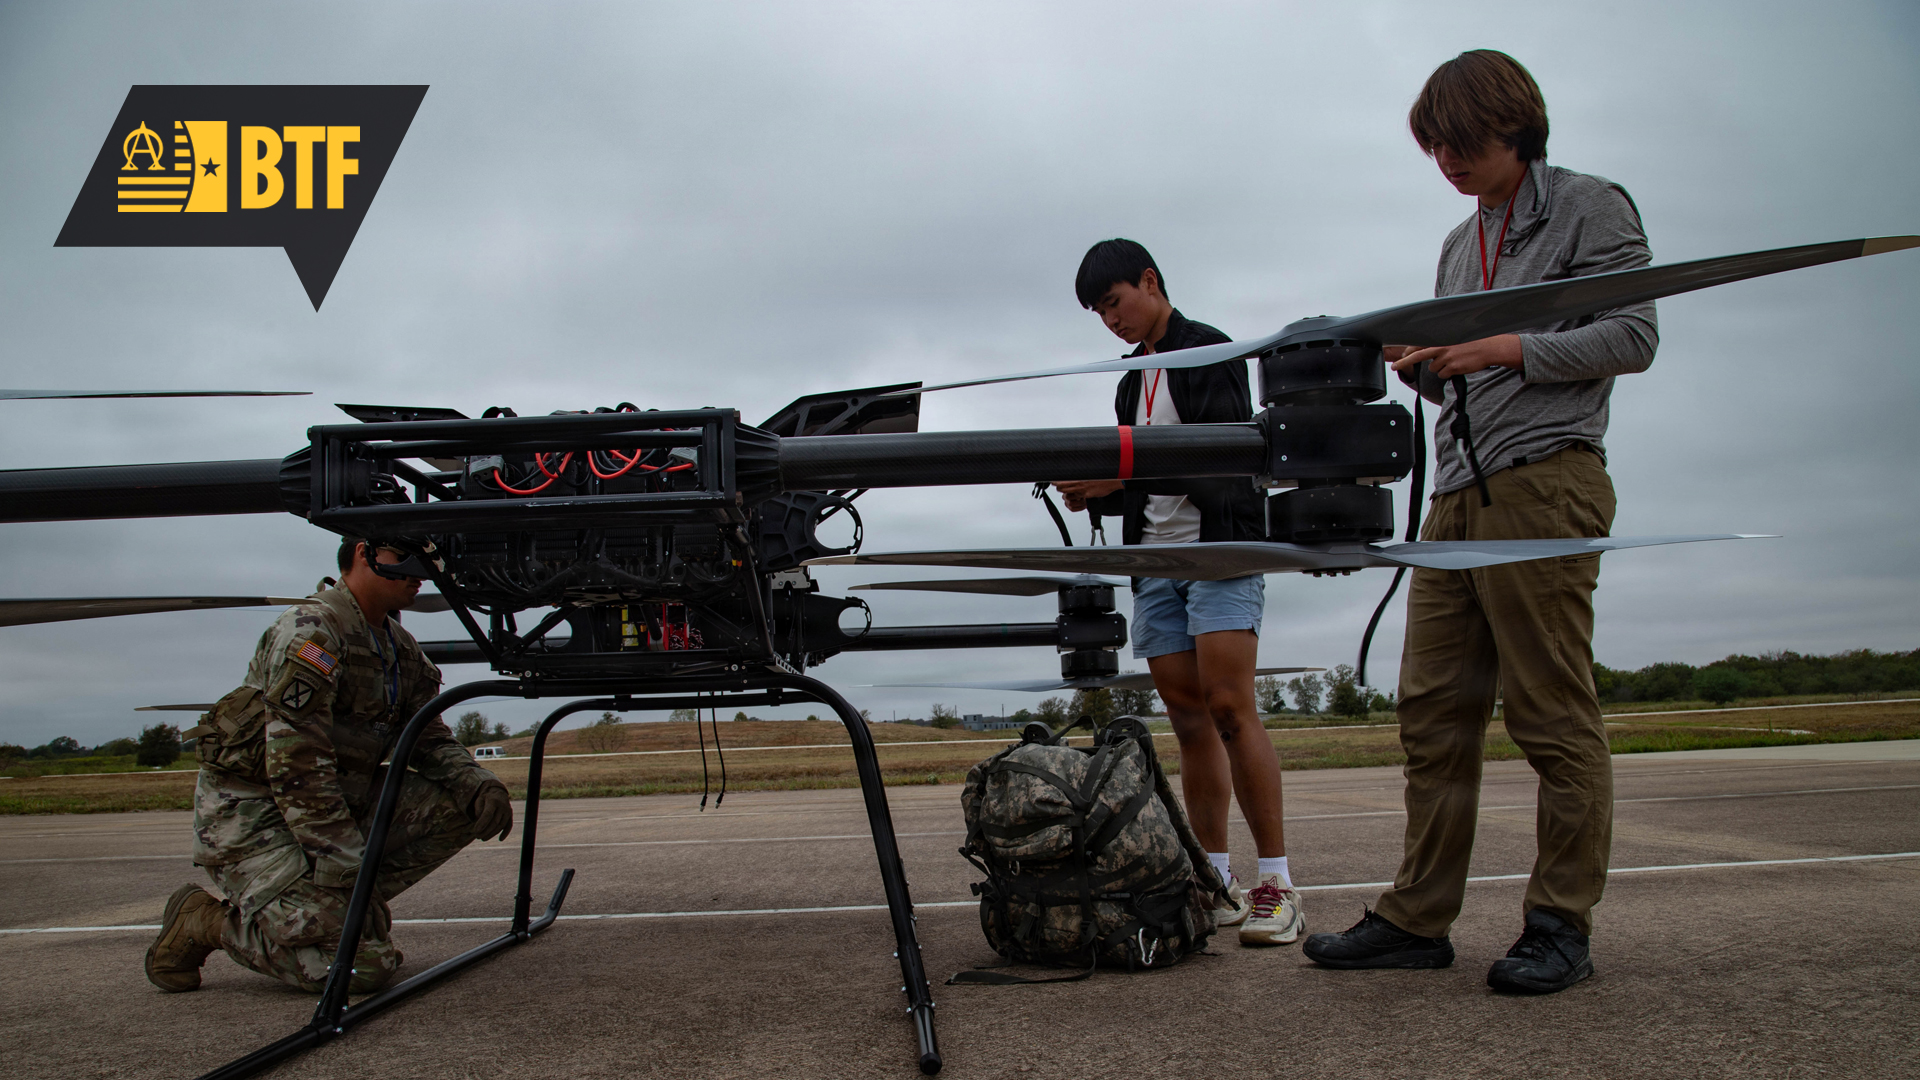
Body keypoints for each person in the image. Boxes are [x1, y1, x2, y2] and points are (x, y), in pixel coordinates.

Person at [1302, 50, 1658, 993]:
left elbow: (1634, 337)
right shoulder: (1461, 243)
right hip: (1456, 492)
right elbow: (1453, 365)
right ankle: (1418, 918)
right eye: (1434, 149)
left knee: (1549, 710)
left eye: (1457, 143)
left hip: (1546, 482)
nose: (1446, 163)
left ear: (1512, 125)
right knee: (1432, 714)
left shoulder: (1590, 206)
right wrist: (1418, 362)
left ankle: (1558, 924)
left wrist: (1500, 348)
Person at [1053, 238, 1304, 946]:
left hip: (1218, 551)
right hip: (1154, 564)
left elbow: (1224, 466)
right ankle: (1212, 878)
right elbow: (1142, 482)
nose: (1111, 321)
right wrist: (1096, 498)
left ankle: (1277, 883)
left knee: (1230, 707)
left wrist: (1121, 479)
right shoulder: (1132, 381)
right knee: (1190, 719)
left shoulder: (1208, 352)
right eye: (1099, 314)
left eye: (1114, 303)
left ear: (1150, 281)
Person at [145, 538, 514, 994]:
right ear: (365, 553)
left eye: (430, 562)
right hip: (258, 817)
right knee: (365, 969)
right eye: (408, 560)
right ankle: (205, 922)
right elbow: (297, 767)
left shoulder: (398, 647)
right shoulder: (313, 634)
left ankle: (334, 912)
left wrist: (476, 783)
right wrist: (348, 871)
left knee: (462, 808)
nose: (423, 573)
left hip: (337, 806)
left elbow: (426, 736)